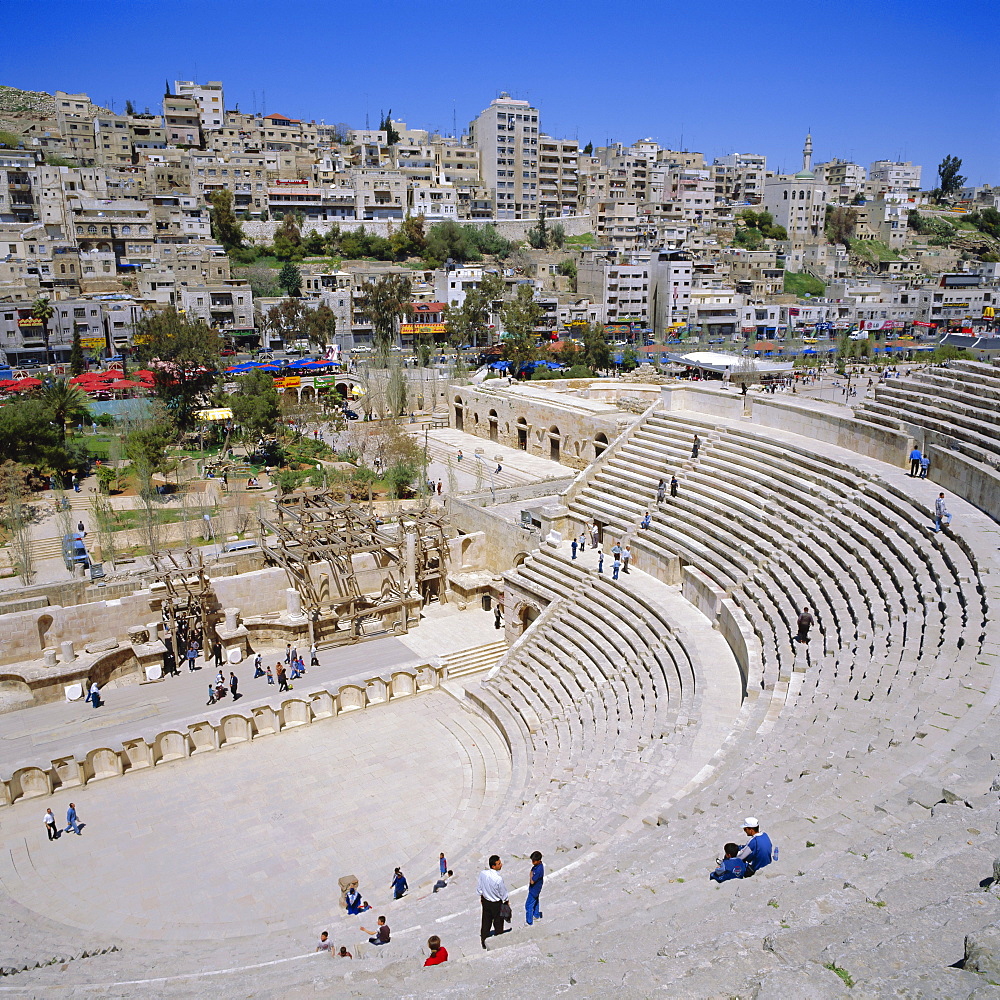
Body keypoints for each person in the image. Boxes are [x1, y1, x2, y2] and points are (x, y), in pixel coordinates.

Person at [477, 855, 509, 949]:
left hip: (486, 901)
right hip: (496, 903)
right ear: (493, 866)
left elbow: (480, 886)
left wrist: (481, 895)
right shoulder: (498, 879)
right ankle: (499, 941)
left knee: (486, 922)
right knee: (498, 922)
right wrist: (506, 900)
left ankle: (484, 941)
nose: (501, 865)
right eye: (499, 864)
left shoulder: (483, 873)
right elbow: (503, 892)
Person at [525, 850, 544, 925]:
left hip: (534, 890)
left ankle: (529, 922)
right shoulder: (538, 866)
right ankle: (536, 915)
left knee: (528, 905)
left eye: (534, 861)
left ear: (539, 861)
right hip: (536, 889)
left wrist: (530, 875)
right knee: (536, 902)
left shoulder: (538, 870)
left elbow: (532, 881)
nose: (532, 862)